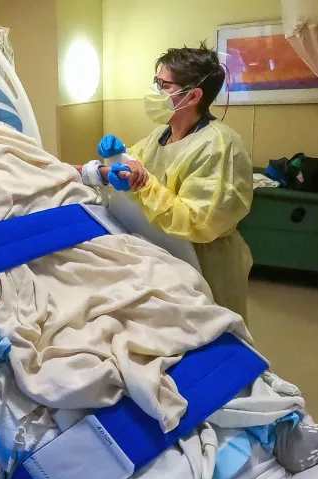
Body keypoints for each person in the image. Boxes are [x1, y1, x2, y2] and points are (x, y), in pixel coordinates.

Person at [87, 44, 254, 321]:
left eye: (163, 85)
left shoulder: (220, 146)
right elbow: (135, 164)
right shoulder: (160, 136)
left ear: (193, 95)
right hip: (164, 256)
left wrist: (143, 186)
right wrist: (119, 157)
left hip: (207, 263)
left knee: (211, 330)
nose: (155, 90)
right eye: (156, 81)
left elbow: (197, 222)